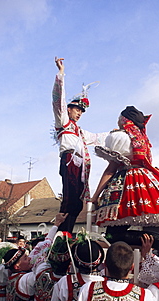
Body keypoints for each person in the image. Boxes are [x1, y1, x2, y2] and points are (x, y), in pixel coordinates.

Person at [91, 105, 159, 245]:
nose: (118, 120)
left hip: (127, 182)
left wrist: (95, 196)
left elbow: (111, 169)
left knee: (114, 234)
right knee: (116, 232)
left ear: (124, 119)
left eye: (119, 117)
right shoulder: (142, 138)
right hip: (145, 179)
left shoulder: (121, 136)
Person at [52, 57, 107, 233]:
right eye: (77, 110)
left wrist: (116, 134)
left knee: (77, 202)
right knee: (69, 199)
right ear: (68, 109)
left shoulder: (80, 132)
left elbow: (98, 138)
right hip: (69, 160)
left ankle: (67, 232)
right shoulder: (63, 121)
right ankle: (61, 234)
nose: (79, 114)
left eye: (82, 112)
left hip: (80, 166)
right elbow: (58, 99)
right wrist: (61, 73)